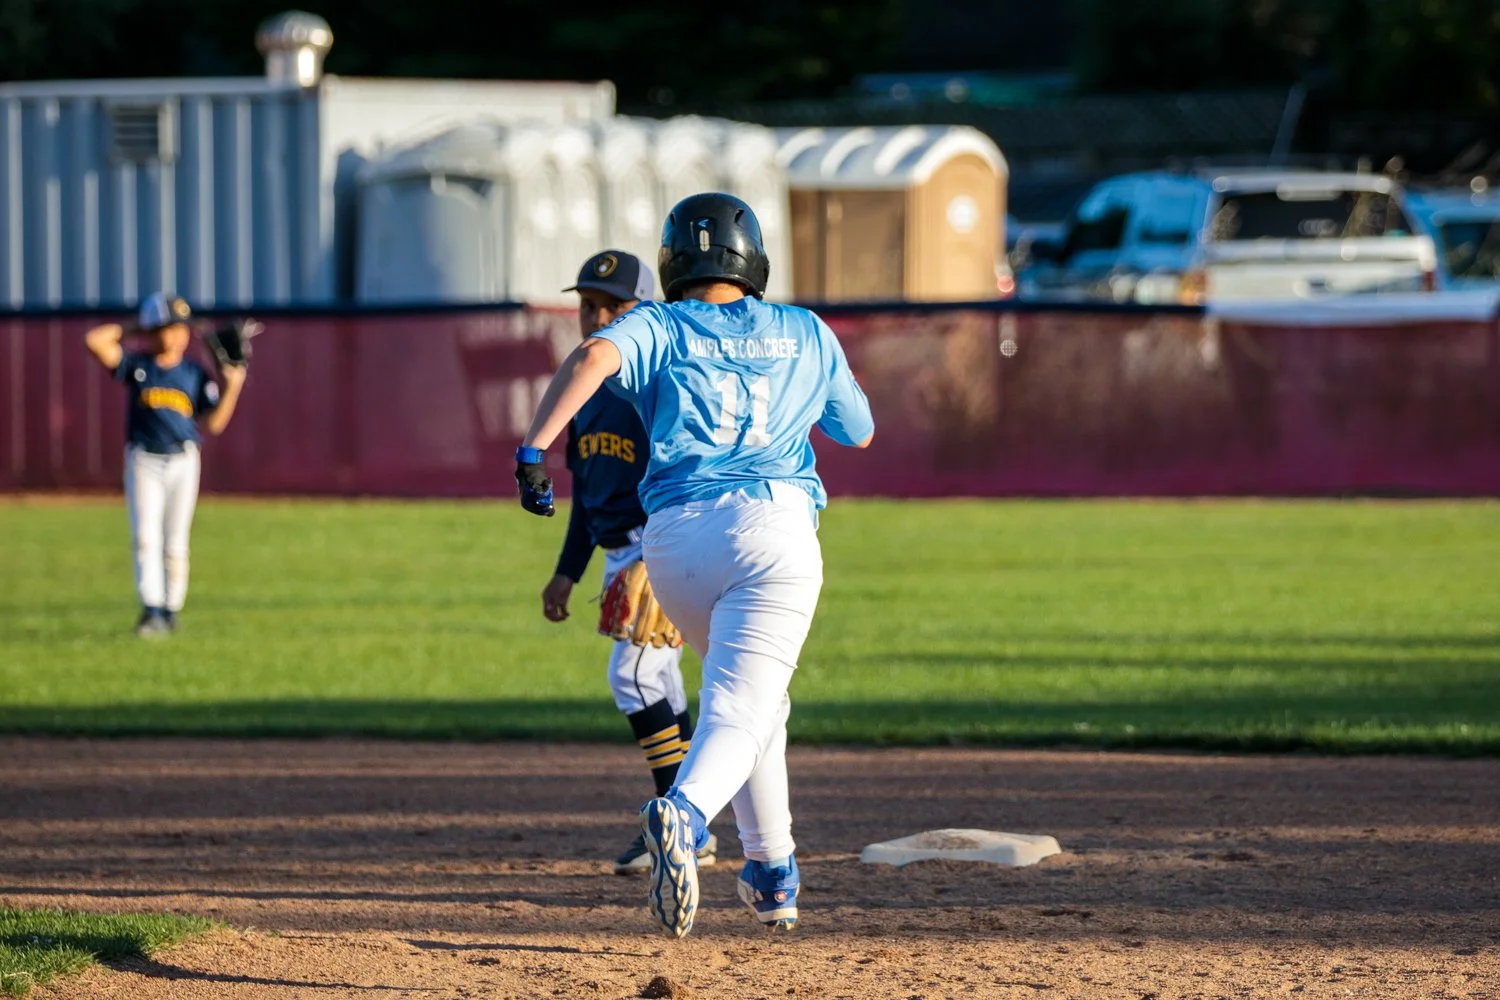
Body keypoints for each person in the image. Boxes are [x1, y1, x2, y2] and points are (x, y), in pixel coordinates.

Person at [515, 193, 874, 938]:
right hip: (773, 528)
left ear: (674, 261)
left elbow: (590, 357)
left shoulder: (658, 323)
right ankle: (681, 812)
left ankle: (773, 873)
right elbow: (859, 430)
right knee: (742, 704)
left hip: (674, 540)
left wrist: (533, 449)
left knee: (755, 700)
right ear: (754, 258)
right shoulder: (805, 329)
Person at [543, 249, 718, 876]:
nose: (594, 316)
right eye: (588, 304)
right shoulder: (584, 396)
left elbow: (689, 476)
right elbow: (587, 502)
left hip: (663, 543)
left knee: (633, 678)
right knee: (661, 683)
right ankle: (691, 812)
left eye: (610, 306)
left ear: (642, 310)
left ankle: (683, 822)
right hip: (621, 551)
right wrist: (568, 571)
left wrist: (657, 555)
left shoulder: (655, 388)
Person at [83, 293, 250, 637]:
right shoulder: (140, 366)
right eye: (168, 327)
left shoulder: (194, 373)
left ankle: (171, 609)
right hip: (144, 459)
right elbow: (95, 341)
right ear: (152, 330)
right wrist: (135, 328)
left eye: (182, 328)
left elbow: (214, 423)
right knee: (145, 537)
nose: (177, 335)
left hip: (184, 459)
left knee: (176, 541)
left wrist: (232, 387)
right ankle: (151, 609)